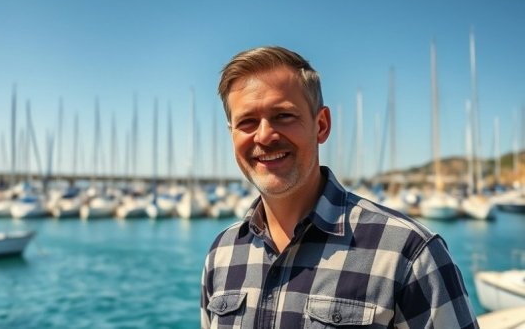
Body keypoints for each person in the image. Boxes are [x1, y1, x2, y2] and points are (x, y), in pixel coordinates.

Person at [201, 46, 478, 328]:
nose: (265, 136)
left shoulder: (409, 253)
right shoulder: (221, 254)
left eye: (283, 116)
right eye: (247, 122)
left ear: (321, 125)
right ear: (232, 134)